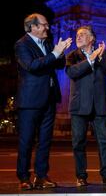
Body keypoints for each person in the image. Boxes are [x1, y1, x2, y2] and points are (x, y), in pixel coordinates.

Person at [15, 13, 72, 190]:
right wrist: (55, 53)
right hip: (30, 101)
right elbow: (32, 66)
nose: (47, 28)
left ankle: (41, 176)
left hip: (49, 98)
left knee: (45, 141)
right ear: (33, 27)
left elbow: (58, 64)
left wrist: (60, 53)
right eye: (44, 25)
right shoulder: (21, 44)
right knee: (27, 140)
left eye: (47, 25)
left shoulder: (47, 43)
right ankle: (24, 177)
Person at [65, 26, 106, 187]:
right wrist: (90, 59)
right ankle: (81, 176)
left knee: (104, 142)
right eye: (77, 35)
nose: (79, 37)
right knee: (78, 143)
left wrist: (101, 57)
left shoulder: (102, 55)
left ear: (92, 39)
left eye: (83, 34)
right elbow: (72, 73)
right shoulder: (72, 56)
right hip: (79, 106)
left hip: (99, 106)